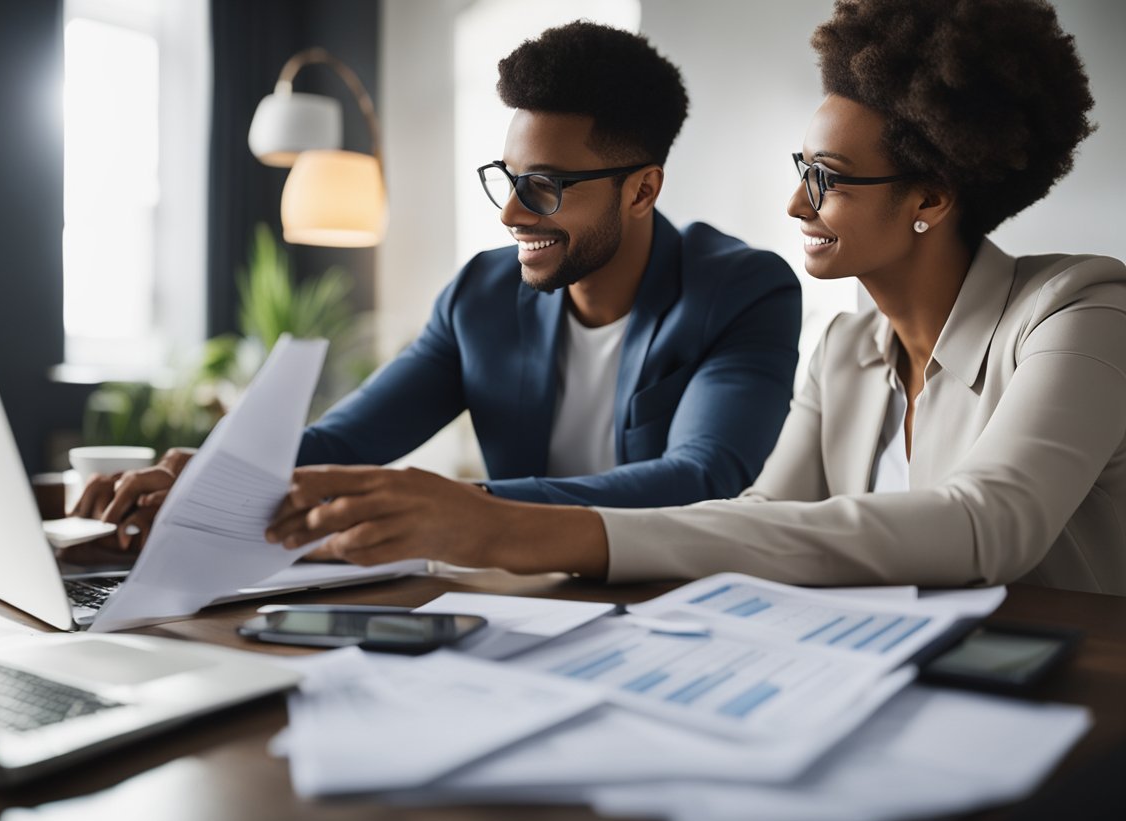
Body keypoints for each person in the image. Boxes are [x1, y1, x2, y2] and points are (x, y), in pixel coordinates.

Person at [265, 0, 1126, 597]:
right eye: (801, 171)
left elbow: (986, 526)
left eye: (825, 180)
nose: (796, 204)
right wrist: (230, 480)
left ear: (931, 198)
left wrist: (503, 525)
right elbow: (754, 518)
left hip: (1072, 696)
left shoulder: (1081, 312)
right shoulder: (847, 350)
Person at [77, 21, 802, 551]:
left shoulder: (740, 291)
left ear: (642, 190)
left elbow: (698, 477)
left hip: (667, 608)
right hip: (512, 603)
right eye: (510, 180)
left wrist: (469, 507)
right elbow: (346, 439)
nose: (513, 212)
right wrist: (218, 474)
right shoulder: (479, 297)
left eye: (544, 186)